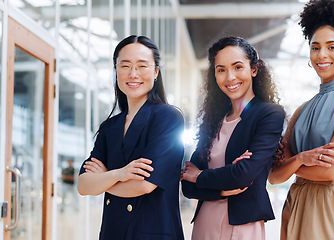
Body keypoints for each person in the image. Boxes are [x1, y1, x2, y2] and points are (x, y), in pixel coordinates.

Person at [268, 0, 334, 239]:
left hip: (331, 205)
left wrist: (292, 164)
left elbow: (331, 171)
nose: (322, 54)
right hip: (296, 203)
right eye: (315, 47)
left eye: (331, 47)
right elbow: (274, 175)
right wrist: (303, 159)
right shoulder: (302, 110)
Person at [77, 35, 184, 240]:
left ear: (156, 72)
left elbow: (145, 185)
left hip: (153, 233)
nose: (133, 74)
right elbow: (83, 185)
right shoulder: (110, 127)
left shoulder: (168, 117)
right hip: (112, 232)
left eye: (142, 66)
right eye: (125, 66)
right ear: (116, 70)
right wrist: (119, 174)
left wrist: (104, 178)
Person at [180, 36, 285, 239]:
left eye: (237, 67)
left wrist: (200, 176)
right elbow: (187, 184)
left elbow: (243, 175)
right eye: (221, 70)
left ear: (253, 69)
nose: (230, 77)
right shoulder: (214, 120)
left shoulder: (269, 114)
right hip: (204, 222)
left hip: (242, 225)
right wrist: (221, 190)